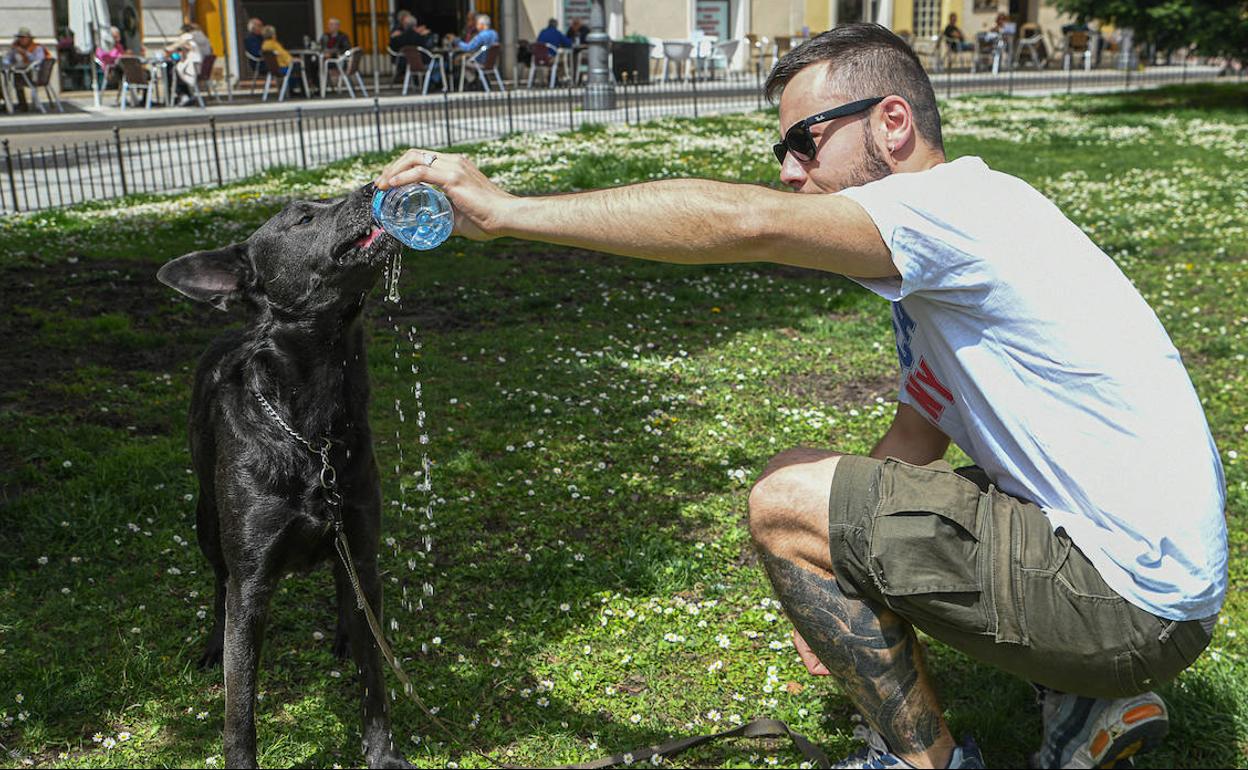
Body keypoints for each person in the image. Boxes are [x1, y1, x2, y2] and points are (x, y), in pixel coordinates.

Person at [372, 22, 1227, 770]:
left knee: (784, 497)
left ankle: (922, 760)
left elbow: (741, 224)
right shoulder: (986, 216)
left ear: (891, 123)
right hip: (1161, 592)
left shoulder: (945, 206)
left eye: (804, 142)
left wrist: (513, 211)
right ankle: (1089, 706)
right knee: (825, 504)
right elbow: (920, 431)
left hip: (1127, 603)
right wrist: (836, 575)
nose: (788, 172)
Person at [167, 22, 212, 106]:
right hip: (202, 69)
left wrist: (165, 49)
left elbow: (173, 47)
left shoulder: (188, 36)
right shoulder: (204, 38)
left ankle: (183, 95)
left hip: (193, 69)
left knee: (172, 71)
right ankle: (186, 95)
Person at [4, 27, 47, 111]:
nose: (21, 40)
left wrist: (25, 53)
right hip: (19, 72)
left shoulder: (37, 48)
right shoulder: (16, 48)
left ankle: (22, 105)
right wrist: (7, 60)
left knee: (15, 79)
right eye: (20, 38)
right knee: (7, 79)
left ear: (29, 38)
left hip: (34, 74)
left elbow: (39, 61)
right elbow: (7, 59)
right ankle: (12, 104)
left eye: (23, 38)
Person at [450, 13, 498, 86]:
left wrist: (457, 41)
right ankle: (478, 81)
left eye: (478, 24)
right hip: (491, 62)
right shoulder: (494, 33)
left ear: (482, 25)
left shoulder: (481, 36)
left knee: (463, 62)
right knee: (466, 59)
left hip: (481, 62)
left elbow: (468, 48)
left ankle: (472, 81)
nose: (476, 26)